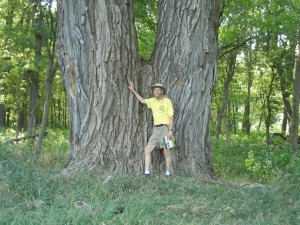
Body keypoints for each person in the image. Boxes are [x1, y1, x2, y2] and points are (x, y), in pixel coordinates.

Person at [128, 82, 174, 177]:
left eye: (158, 90)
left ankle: (168, 172)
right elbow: (142, 101)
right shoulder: (152, 101)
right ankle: (147, 173)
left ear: (162, 91)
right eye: (155, 90)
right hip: (156, 129)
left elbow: (171, 116)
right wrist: (133, 90)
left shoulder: (167, 101)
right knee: (147, 149)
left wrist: (170, 130)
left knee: (166, 151)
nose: (156, 91)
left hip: (165, 128)